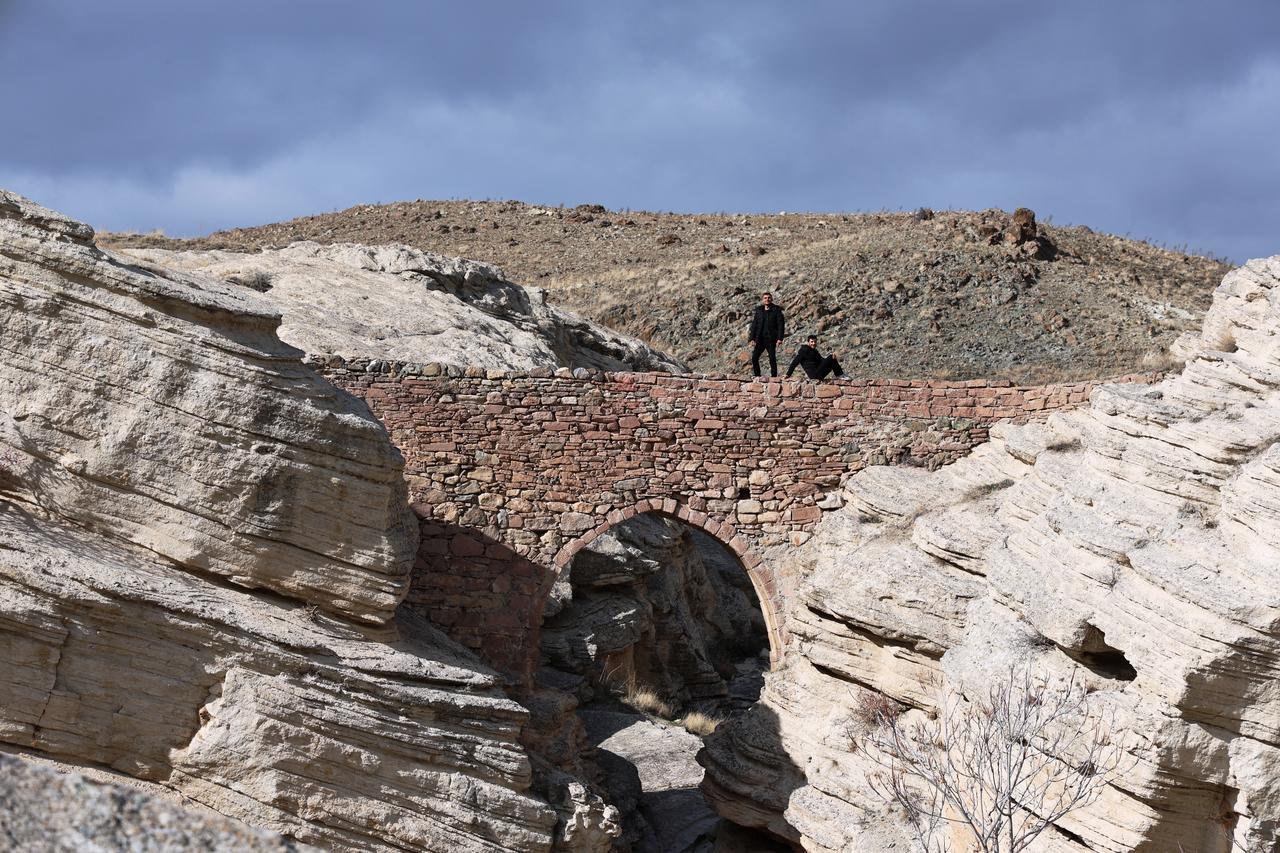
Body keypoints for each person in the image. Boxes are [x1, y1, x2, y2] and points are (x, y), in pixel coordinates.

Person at [748, 291, 786, 377]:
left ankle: (774, 377)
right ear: (762, 300)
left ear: (771, 299)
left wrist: (780, 338)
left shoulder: (776, 310)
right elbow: (754, 325)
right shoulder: (759, 311)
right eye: (765, 298)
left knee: (772, 358)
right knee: (754, 358)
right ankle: (757, 376)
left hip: (771, 339)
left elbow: (781, 325)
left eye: (769, 298)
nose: (767, 299)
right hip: (760, 339)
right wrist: (751, 338)